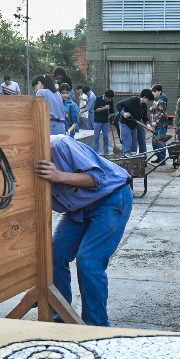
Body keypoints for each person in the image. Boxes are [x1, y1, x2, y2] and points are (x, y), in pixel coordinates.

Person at [35, 134, 132, 326]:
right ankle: (61, 316)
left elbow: (98, 178)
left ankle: (96, 326)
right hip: (79, 207)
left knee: (89, 261)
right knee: (54, 254)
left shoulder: (60, 145)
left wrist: (59, 176)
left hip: (110, 199)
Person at [118, 88, 154, 154]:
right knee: (128, 144)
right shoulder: (133, 100)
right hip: (125, 124)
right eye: (148, 99)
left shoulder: (144, 106)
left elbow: (144, 117)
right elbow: (119, 105)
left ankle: (133, 160)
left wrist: (148, 124)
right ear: (144, 97)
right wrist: (123, 113)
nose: (148, 101)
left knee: (134, 145)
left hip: (133, 125)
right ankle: (125, 160)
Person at [90, 87, 113, 154]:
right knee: (96, 137)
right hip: (97, 121)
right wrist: (104, 108)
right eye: (108, 98)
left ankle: (106, 153)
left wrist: (111, 116)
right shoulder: (98, 99)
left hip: (105, 121)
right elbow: (95, 109)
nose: (109, 100)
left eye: (110, 99)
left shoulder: (110, 101)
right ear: (105, 96)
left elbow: (111, 111)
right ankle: (95, 152)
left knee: (106, 137)